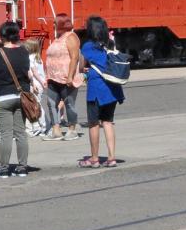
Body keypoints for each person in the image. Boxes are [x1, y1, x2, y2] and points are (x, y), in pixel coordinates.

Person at [0, 22, 32, 178]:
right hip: (21, 96)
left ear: (2, 35)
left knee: (6, 134)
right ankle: (22, 168)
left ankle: (4, 169)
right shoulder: (24, 52)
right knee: (21, 133)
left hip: (2, 97)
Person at [78, 16, 125, 168]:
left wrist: (84, 69)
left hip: (96, 89)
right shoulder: (110, 43)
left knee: (93, 123)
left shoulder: (87, 46)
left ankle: (94, 158)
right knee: (108, 122)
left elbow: (80, 66)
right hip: (112, 88)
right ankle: (111, 158)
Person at [42, 14, 82, 141]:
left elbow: (74, 57)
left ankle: (72, 129)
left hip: (66, 77)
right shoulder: (58, 38)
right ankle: (56, 130)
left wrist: (70, 76)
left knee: (69, 103)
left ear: (61, 23)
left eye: (55, 23)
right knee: (51, 103)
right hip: (53, 78)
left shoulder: (71, 37)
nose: (53, 25)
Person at [23, 39, 48, 137]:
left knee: (36, 105)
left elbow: (34, 72)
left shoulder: (29, 58)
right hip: (41, 84)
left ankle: (43, 126)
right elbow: (41, 71)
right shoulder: (38, 58)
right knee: (37, 104)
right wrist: (44, 81)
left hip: (36, 84)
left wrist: (34, 84)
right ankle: (39, 126)